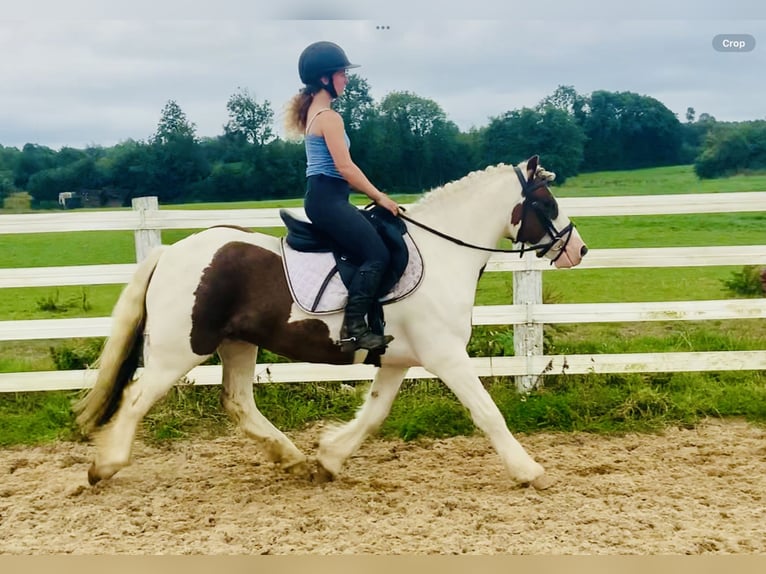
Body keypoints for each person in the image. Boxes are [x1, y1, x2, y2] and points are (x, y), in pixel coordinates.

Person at [285, 41, 400, 352]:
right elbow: (346, 168)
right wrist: (380, 198)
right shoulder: (328, 117)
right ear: (325, 79)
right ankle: (355, 329)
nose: (346, 79)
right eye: (341, 74)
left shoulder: (316, 112)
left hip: (327, 198)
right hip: (328, 201)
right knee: (378, 254)